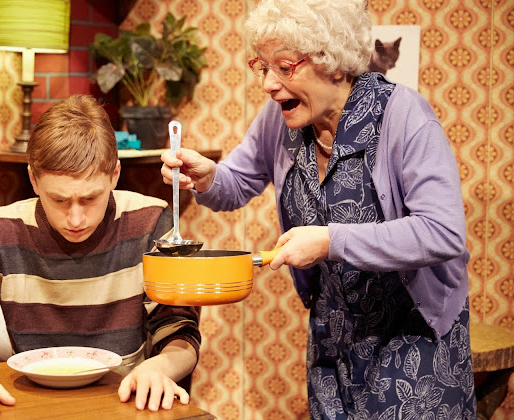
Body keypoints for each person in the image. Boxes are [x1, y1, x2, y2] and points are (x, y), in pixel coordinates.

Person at [161, 0, 476, 418]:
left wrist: (330, 240)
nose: (269, 84)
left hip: (413, 340)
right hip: (332, 342)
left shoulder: (403, 116)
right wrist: (205, 176)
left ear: (334, 62)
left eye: (285, 67)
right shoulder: (279, 120)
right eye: (262, 66)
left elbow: (443, 232)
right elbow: (235, 185)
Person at [0, 94, 201, 419]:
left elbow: (180, 330)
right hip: (32, 407)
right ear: (33, 179)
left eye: (90, 198)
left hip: (124, 402)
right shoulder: (0, 230)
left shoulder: (151, 221)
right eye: (58, 200)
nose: (75, 219)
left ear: (114, 175)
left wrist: (159, 368)